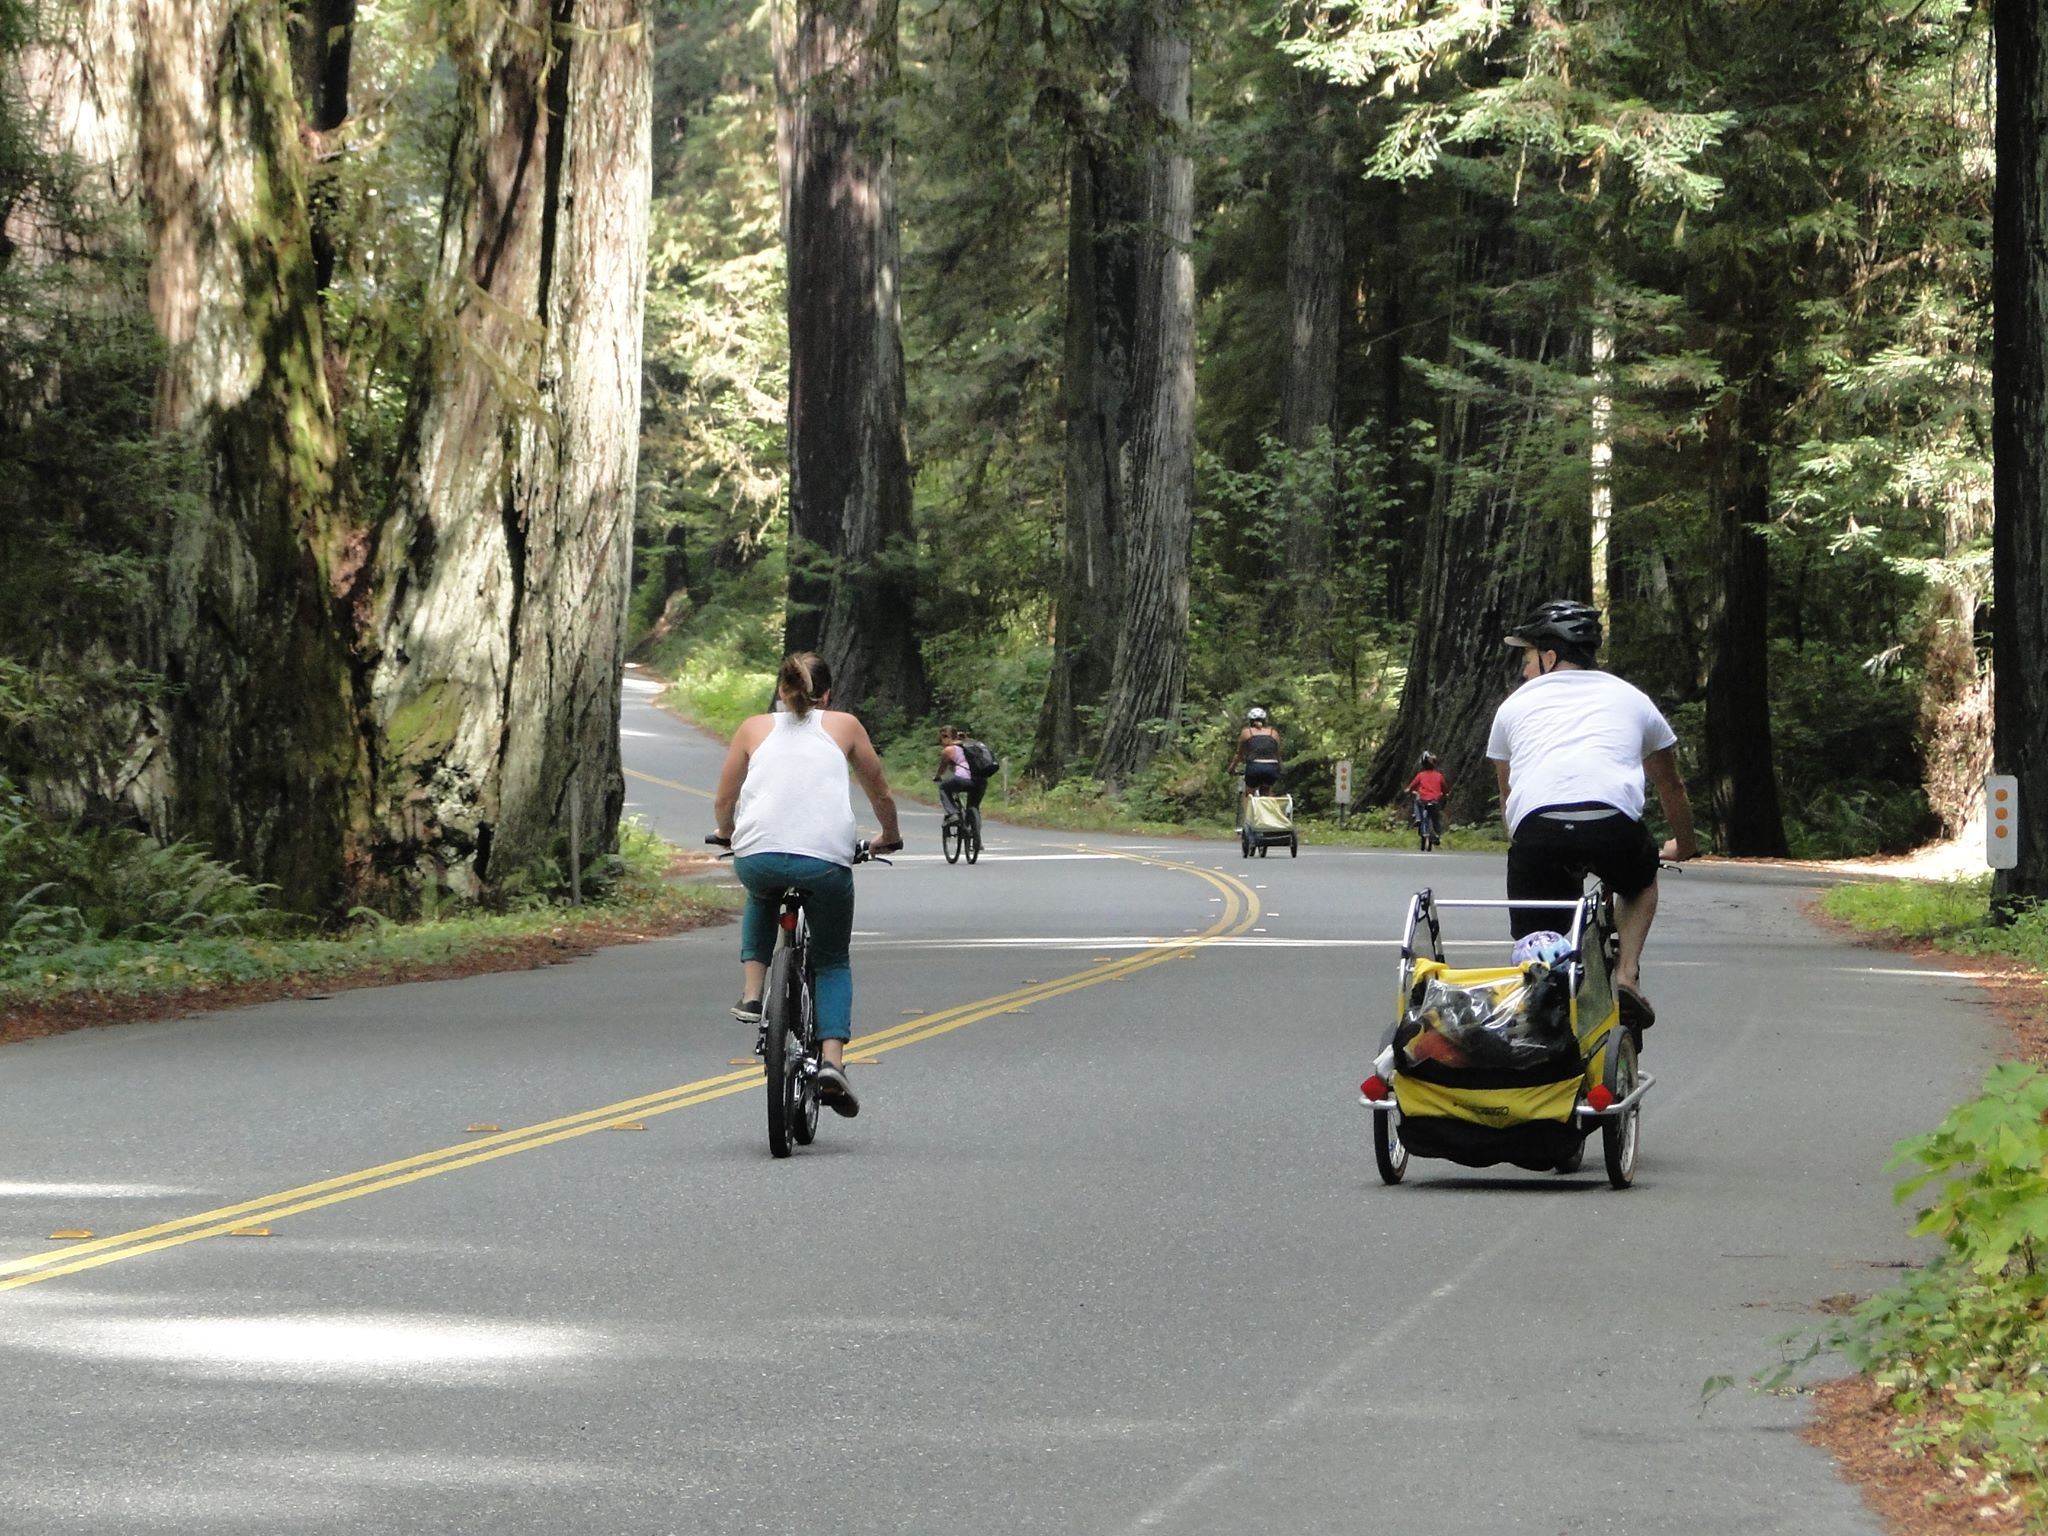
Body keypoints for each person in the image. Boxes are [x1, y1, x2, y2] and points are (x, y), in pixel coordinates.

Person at [1487, 600, 1698, 1030]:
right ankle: (1626, 975)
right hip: (1613, 827)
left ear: (1549, 657)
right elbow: (1671, 785)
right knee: (1639, 882)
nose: (1525, 672)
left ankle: (1541, 997)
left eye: (1527, 660)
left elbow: (1509, 796)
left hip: (1538, 830)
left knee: (1539, 939)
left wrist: (1529, 847)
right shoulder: (1632, 698)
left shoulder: (1512, 707)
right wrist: (1686, 845)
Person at [713, 651, 902, 1115]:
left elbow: (726, 797)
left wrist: (726, 833)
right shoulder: (845, 726)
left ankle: (754, 994)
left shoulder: (753, 728)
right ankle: (833, 1061)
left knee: (763, 889)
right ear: (828, 694)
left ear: (781, 689)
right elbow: (879, 790)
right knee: (832, 960)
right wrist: (889, 837)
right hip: (825, 862)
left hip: (758, 854)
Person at [1227, 707, 1284, 823]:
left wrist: (1231, 769)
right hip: (1272, 767)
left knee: (1249, 794)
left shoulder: (1246, 732)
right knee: (1266, 792)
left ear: (1250, 721)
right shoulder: (1273, 733)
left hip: (1255, 767)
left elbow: (1239, 754)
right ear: (1265, 720)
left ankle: (1248, 821)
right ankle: (1272, 820)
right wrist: (1280, 769)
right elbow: (1277, 754)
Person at [935, 725, 981, 825]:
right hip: (980, 779)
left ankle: (952, 813)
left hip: (962, 779)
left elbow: (942, 768)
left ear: (947, 737)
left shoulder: (948, 750)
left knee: (943, 787)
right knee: (973, 806)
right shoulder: (969, 745)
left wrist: (937, 776)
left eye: (943, 737)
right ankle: (974, 827)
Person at [1405, 751, 1449, 846]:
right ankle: (1437, 834)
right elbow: (1444, 788)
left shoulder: (1421, 775)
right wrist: (1445, 794)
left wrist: (1408, 790)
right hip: (1435, 800)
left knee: (1416, 801)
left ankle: (1418, 818)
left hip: (1423, 800)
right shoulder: (1439, 776)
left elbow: (1412, 786)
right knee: (1436, 817)